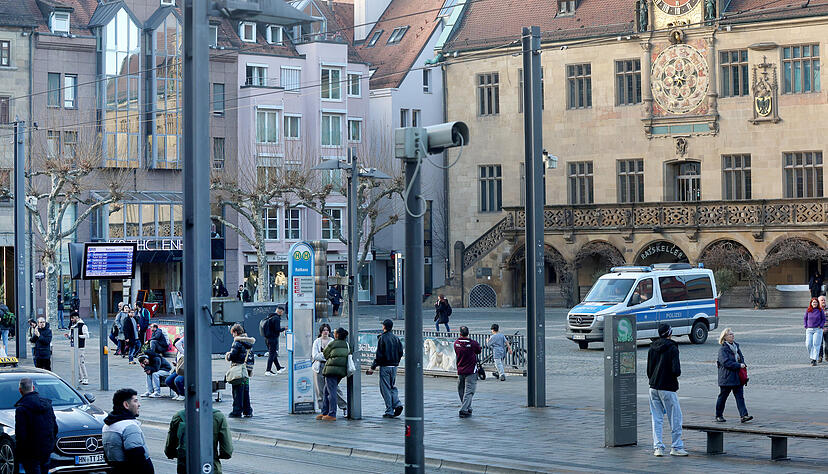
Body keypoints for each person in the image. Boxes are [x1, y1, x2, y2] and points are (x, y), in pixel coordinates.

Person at [647, 323, 687, 457]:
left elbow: (649, 370)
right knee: (675, 418)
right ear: (670, 333)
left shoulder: (652, 347)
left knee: (656, 419)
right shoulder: (672, 347)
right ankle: (676, 446)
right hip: (668, 387)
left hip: (653, 386)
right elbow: (676, 370)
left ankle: (658, 447)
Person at [165, 408, 233, 474]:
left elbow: (170, 447)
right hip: (210, 466)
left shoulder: (179, 416)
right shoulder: (218, 416)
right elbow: (227, 450)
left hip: (185, 466)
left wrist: (174, 454)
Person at [102, 388, 154, 473]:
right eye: (135, 401)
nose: (139, 404)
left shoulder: (107, 426)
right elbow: (137, 458)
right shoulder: (129, 427)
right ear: (126, 404)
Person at [14, 377, 58, 474]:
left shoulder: (21, 409)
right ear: (33, 388)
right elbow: (54, 427)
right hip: (46, 449)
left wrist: (20, 453)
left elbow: (21, 434)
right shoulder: (47, 405)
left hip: (30, 452)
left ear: (20, 390)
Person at [367, 319, 404, 418]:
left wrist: (372, 367)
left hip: (385, 366)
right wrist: (396, 362)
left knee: (385, 389)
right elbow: (401, 352)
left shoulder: (382, 338)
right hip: (394, 366)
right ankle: (397, 403)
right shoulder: (396, 338)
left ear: (384, 327)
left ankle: (389, 410)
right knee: (392, 386)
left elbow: (379, 355)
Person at [715, 327, 753, 423]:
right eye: (730, 334)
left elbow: (741, 358)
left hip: (737, 377)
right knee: (723, 397)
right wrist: (739, 365)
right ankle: (718, 415)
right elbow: (726, 363)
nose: (732, 335)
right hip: (727, 378)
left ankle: (744, 415)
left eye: (732, 334)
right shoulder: (723, 350)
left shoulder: (736, 347)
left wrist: (743, 364)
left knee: (740, 397)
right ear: (725, 337)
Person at [312, 324, 347, 414]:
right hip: (319, 367)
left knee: (334, 389)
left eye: (327, 330)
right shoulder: (317, 342)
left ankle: (344, 406)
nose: (325, 332)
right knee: (320, 390)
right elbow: (315, 355)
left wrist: (324, 356)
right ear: (320, 331)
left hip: (331, 367)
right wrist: (327, 357)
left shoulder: (332, 341)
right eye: (324, 330)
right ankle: (323, 409)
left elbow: (329, 355)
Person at [318, 327, 349, 421]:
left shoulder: (333, 343)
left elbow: (325, 354)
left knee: (331, 392)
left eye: (334, 333)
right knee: (326, 390)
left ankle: (332, 414)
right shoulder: (346, 344)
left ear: (337, 335)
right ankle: (324, 412)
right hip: (341, 371)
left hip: (331, 370)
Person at [225, 324, 255, 418]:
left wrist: (228, 355)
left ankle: (237, 411)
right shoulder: (248, 343)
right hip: (246, 370)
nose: (233, 336)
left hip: (238, 369)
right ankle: (247, 410)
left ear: (235, 332)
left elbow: (233, 356)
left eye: (233, 333)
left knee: (237, 391)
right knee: (245, 391)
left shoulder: (237, 343)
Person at [454, 326, 481, 418]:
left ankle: (466, 406)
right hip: (471, 370)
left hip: (460, 370)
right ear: (468, 333)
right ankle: (463, 409)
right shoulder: (473, 343)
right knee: (469, 391)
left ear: (460, 333)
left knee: (461, 389)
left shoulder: (456, 343)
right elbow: (478, 350)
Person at [262, 306, 287, 376]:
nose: (283, 313)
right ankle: (268, 370)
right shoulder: (276, 319)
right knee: (272, 354)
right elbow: (277, 329)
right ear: (280, 311)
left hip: (267, 338)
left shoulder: (270, 316)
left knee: (273, 354)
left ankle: (279, 368)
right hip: (272, 339)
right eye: (282, 312)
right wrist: (284, 328)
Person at [67, 311, 90, 385]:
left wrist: (78, 336)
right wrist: (69, 336)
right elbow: (71, 335)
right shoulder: (73, 326)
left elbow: (87, 336)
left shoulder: (83, 326)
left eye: (72, 318)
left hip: (80, 347)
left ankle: (85, 378)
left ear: (76, 317)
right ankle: (80, 377)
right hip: (74, 347)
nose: (71, 320)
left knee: (81, 362)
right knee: (76, 363)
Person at [804, 296, 825, 366]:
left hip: (817, 329)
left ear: (817, 303)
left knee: (816, 344)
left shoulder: (820, 310)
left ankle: (814, 359)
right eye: (813, 302)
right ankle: (811, 356)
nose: (814, 303)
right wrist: (806, 326)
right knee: (808, 344)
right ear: (811, 303)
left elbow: (823, 319)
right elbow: (805, 318)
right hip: (809, 329)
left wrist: (821, 326)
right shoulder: (808, 310)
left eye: (816, 302)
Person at [820, 295, 828, 363]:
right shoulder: (816, 310)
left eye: (824, 300)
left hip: (827, 329)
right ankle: (820, 357)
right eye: (822, 300)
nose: (823, 301)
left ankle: (827, 356)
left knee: (827, 344)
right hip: (819, 330)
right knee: (819, 344)